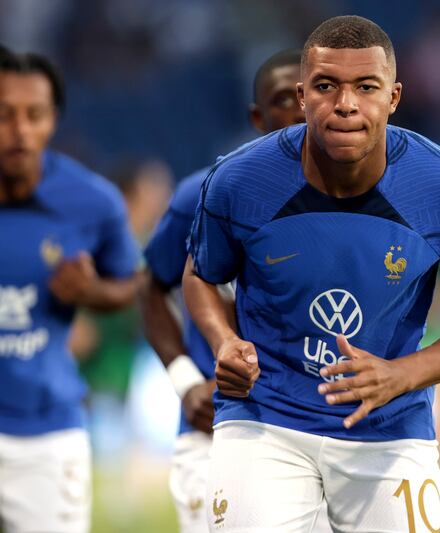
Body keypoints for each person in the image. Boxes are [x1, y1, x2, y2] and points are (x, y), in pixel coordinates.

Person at [182, 15, 440, 532]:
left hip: (391, 430)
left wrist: (401, 375)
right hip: (266, 424)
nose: (346, 104)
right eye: (327, 86)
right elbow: (201, 274)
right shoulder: (239, 180)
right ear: (302, 93)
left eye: (366, 87)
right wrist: (224, 341)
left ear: (395, 96)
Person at [0, 45, 140, 533]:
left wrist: (92, 292)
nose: (21, 131)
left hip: (49, 421)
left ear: (54, 120)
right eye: (4, 115)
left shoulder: (93, 203)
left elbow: (131, 284)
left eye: (36, 115)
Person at [141, 49, 306, 533]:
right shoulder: (203, 193)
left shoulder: (366, 200)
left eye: (309, 93)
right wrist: (184, 380)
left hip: (316, 429)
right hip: (218, 429)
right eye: (282, 99)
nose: (299, 110)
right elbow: (150, 289)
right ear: (257, 117)